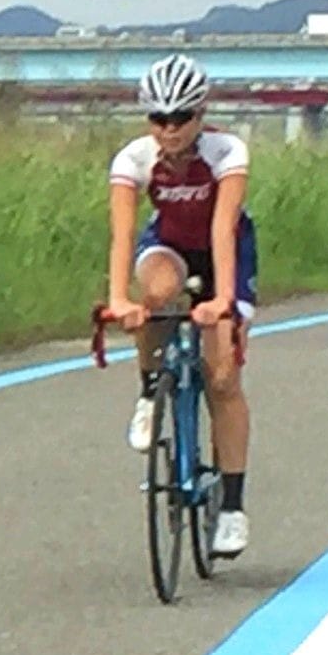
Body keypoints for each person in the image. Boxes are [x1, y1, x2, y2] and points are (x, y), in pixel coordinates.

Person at [104, 53, 253, 558]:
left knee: (223, 377)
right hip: (167, 245)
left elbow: (223, 228)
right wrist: (119, 299)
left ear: (201, 114)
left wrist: (223, 300)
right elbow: (123, 234)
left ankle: (231, 508)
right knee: (157, 295)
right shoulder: (133, 159)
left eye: (181, 117)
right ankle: (150, 391)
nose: (169, 129)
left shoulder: (226, 151)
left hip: (223, 251)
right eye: (159, 118)